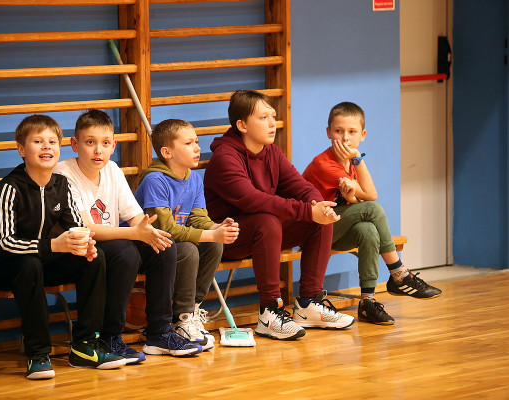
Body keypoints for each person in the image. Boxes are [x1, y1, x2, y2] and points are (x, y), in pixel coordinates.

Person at [0, 114, 126, 380]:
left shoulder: (61, 184)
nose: (46, 146)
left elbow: (76, 227)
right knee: (29, 264)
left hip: (41, 262)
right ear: (22, 149)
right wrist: (53, 245)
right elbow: (4, 243)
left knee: (94, 258)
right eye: (38, 141)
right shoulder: (9, 188)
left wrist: (86, 246)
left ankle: (85, 345)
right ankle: (38, 354)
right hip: (2, 267)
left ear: (59, 148)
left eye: (52, 142)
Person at [204, 90, 355, 341]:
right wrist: (307, 210)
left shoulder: (271, 151)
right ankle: (269, 313)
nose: (273, 123)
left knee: (318, 220)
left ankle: (308, 303)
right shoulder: (225, 157)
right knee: (268, 219)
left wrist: (319, 205)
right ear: (242, 125)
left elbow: (300, 186)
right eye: (263, 118)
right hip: (227, 238)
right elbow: (254, 200)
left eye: (273, 116)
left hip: (264, 234)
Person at [54, 109, 201, 358]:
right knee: (126, 251)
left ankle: (159, 333)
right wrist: (135, 232)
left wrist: (148, 232)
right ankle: (111, 337)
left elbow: (135, 216)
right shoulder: (64, 173)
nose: (98, 150)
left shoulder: (113, 169)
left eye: (105, 143)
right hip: (81, 247)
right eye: (90, 143)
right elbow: (86, 228)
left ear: (113, 146)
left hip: (113, 243)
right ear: (75, 145)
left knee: (164, 245)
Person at [302, 101, 442, 325]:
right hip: (312, 231)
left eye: (352, 132)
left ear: (362, 135)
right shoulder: (324, 164)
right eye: (338, 131)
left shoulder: (350, 164)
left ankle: (367, 302)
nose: (345, 138)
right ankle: (399, 273)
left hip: (334, 227)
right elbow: (371, 196)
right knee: (373, 209)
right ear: (328, 132)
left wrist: (352, 192)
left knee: (368, 230)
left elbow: (357, 201)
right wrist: (358, 159)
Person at [134, 119, 240, 350]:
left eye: (197, 142)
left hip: (171, 243)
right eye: (189, 143)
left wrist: (217, 229)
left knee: (214, 245)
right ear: (167, 152)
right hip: (144, 245)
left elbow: (198, 219)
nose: (197, 148)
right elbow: (165, 230)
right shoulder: (154, 180)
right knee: (189, 249)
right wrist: (211, 235)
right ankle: (181, 317)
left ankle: (191, 310)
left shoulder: (193, 178)